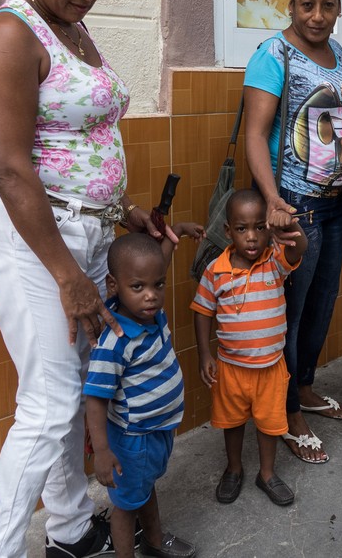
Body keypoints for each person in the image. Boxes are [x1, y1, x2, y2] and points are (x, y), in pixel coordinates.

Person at [0, 0, 176, 557]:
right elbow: (11, 167)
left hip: (85, 233)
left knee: (66, 394)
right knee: (50, 403)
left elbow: (80, 142)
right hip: (32, 238)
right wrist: (67, 276)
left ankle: (67, 529)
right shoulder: (11, 34)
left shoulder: (73, 31)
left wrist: (121, 207)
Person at [243, 0, 342, 464]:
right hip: (295, 209)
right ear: (290, 4)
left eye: (328, 5)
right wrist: (273, 199)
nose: (317, 16)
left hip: (336, 205)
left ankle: (303, 387)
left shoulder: (338, 54)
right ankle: (287, 411)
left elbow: (339, 120)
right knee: (290, 315)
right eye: (307, 5)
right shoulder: (273, 55)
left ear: (339, 7)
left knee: (320, 308)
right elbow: (256, 134)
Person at [84, 227, 203, 558]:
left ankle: (154, 540)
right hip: (132, 439)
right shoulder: (115, 340)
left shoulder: (151, 313)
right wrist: (102, 452)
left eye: (158, 285)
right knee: (125, 507)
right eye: (137, 287)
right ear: (113, 285)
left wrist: (174, 237)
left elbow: (156, 265)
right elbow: (95, 400)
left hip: (157, 430)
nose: (150, 295)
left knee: (144, 488)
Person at [191, 190, 308, 506]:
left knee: (269, 423)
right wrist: (204, 354)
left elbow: (300, 247)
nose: (252, 237)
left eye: (259, 227)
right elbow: (202, 311)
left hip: (271, 367)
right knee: (231, 422)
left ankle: (266, 474)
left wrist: (288, 224)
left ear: (268, 229)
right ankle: (234, 468)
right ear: (228, 231)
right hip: (231, 368)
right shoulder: (215, 270)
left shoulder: (275, 262)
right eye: (242, 229)